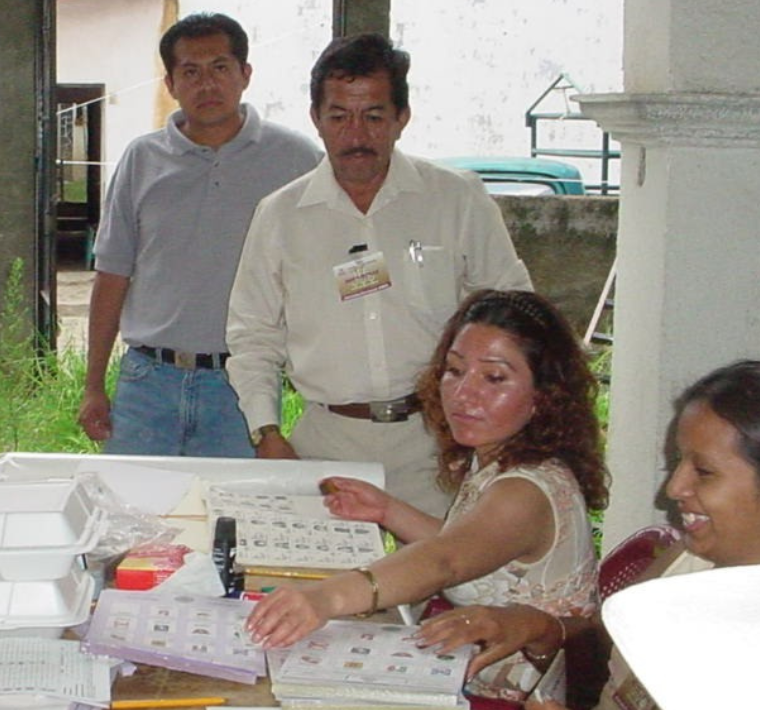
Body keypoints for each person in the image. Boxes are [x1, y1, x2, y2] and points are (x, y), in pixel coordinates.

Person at [245, 290, 609, 704]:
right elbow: (474, 547)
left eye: (494, 378)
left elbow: (446, 561)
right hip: (465, 678)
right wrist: (386, 510)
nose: (464, 394)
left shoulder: (525, 490)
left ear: (544, 395)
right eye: (454, 371)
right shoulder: (498, 459)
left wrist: (326, 597)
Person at [226, 33, 532, 516]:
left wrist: (484, 434)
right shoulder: (281, 215)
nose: (356, 135)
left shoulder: (456, 199)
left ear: (401, 119)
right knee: (329, 587)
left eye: (373, 116)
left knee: (444, 580)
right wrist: (266, 433)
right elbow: (253, 336)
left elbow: (515, 318)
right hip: (325, 446)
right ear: (316, 120)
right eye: (339, 117)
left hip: (437, 443)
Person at [432, 360, 760, 710]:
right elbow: (605, 661)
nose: (675, 487)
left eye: (704, 471)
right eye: (678, 460)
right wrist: (539, 629)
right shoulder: (689, 557)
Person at [77, 12, 322, 458]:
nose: (206, 85)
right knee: (133, 513)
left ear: (245, 75)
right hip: (148, 381)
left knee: (230, 517)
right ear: (170, 83)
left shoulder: (296, 160)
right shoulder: (142, 160)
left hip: (241, 386)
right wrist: (94, 385)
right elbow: (112, 275)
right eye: (190, 72)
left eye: (220, 68)